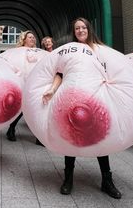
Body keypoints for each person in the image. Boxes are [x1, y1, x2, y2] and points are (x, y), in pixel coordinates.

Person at [41, 18, 121, 198]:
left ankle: (107, 180)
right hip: (72, 98)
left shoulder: (100, 50)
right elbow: (60, 73)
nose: (80, 30)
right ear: (74, 31)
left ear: (89, 29)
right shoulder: (70, 49)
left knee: (101, 137)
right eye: (77, 28)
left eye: (83, 27)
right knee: (71, 137)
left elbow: (112, 72)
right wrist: (52, 90)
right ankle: (68, 178)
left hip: (97, 99)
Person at [6, 30, 37, 142]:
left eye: (33, 37)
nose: (33, 39)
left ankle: (39, 136)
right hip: (22, 82)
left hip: (35, 84)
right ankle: (11, 128)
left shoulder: (38, 52)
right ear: (24, 39)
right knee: (22, 108)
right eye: (30, 37)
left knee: (35, 109)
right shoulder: (16, 52)